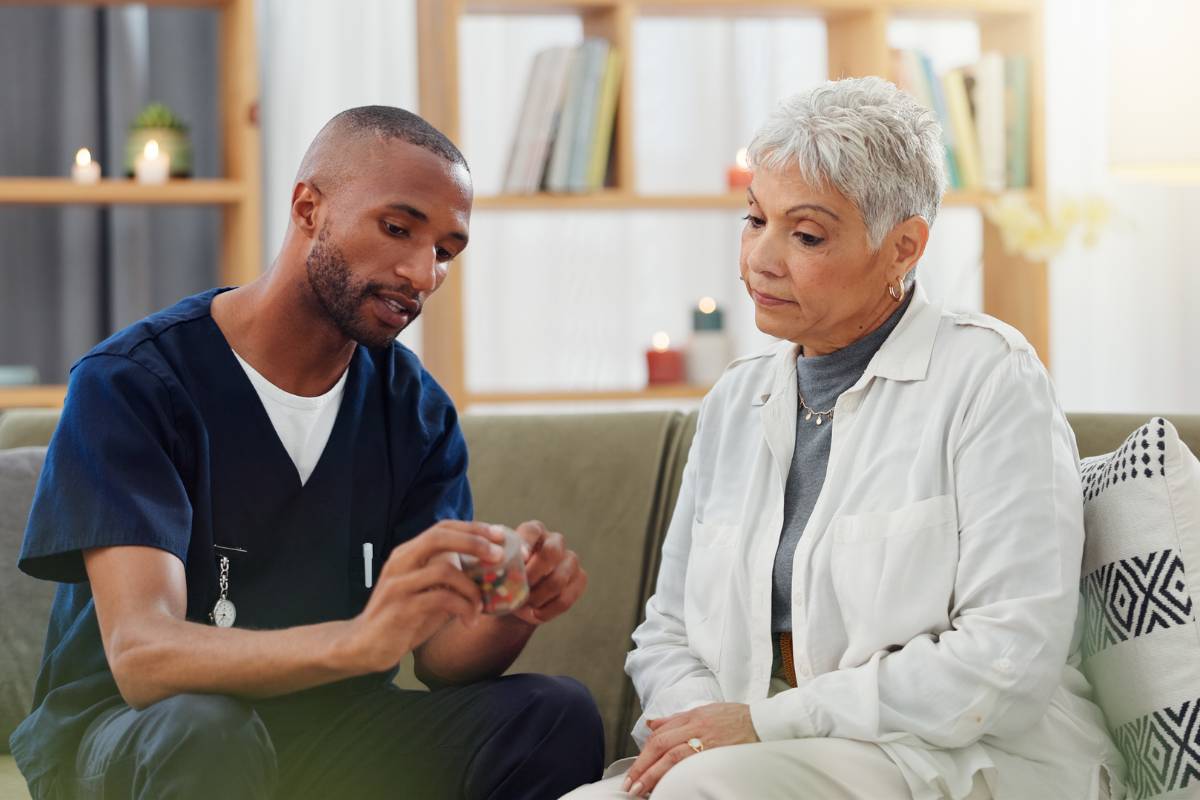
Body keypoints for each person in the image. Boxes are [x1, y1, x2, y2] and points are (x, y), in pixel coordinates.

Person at [10, 106, 603, 800]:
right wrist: (361, 641)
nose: (421, 273)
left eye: (445, 250)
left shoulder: (416, 411)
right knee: (204, 728)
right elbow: (144, 655)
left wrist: (510, 610)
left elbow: (442, 659)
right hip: (131, 733)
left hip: (328, 730)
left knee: (553, 713)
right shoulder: (133, 383)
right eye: (397, 228)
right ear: (308, 207)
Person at [563, 77, 1123, 800]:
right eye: (753, 218)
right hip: (760, 752)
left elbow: (1008, 655)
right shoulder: (736, 399)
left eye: (805, 234)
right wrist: (697, 731)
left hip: (952, 754)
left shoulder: (990, 377)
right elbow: (667, 632)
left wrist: (767, 724)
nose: (761, 258)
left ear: (903, 248)